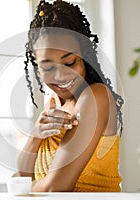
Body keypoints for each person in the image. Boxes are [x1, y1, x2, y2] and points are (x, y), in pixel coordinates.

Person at [15, 0, 124, 192]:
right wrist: (35, 135)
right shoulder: (53, 104)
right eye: (48, 67)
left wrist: (22, 188)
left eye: (70, 62)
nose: (60, 76)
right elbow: (22, 175)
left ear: (84, 58)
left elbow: (54, 188)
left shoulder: (95, 97)